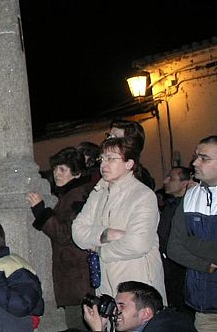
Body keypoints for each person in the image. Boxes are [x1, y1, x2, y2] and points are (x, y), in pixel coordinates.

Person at [72, 136, 166, 304]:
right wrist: (105, 234)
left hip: (137, 283)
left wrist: (100, 251)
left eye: (111, 159)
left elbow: (138, 243)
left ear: (129, 164)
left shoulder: (142, 195)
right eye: (102, 158)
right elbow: (77, 231)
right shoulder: (99, 192)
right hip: (105, 285)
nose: (103, 164)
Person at [26, 146, 95, 330]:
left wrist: (40, 211)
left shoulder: (77, 196)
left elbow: (66, 234)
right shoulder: (69, 195)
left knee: (78, 325)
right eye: (55, 169)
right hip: (73, 277)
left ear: (77, 173)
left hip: (77, 278)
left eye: (62, 169)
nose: (57, 174)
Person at [167, 135, 217, 332]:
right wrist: (206, 265)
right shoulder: (191, 196)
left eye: (204, 158)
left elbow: (183, 242)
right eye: (196, 156)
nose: (195, 162)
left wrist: (190, 241)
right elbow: (173, 248)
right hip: (204, 306)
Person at [82, 280, 196, 331]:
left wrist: (97, 330)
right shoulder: (164, 320)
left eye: (122, 306)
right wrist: (101, 328)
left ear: (146, 313)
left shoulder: (163, 328)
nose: (114, 311)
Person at [158, 166, 194, 310]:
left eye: (171, 178)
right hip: (167, 264)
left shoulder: (188, 206)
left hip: (180, 266)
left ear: (185, 183)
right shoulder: (170, 204)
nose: (165, 180)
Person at [107, 119, 155, 190]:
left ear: (130, 145)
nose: (108, 141)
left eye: (114, 138)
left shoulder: (141, 179)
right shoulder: (103, 170)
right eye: (109, 136)